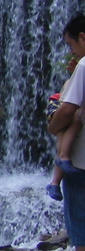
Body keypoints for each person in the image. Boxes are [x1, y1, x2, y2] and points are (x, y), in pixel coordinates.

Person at [47, 13, 85, 251]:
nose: (71, 51)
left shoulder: (84, 65)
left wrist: (52, 126)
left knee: (80, 223)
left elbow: (67, 109)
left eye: (71, 44)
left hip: (81, 162)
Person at [46, 55, 81, 200]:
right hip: (58, 105)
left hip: (61, 107)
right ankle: (63, 157)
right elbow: (67, 101)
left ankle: (55, 183)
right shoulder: (71, 82)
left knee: (63, 132)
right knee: (72, 123)